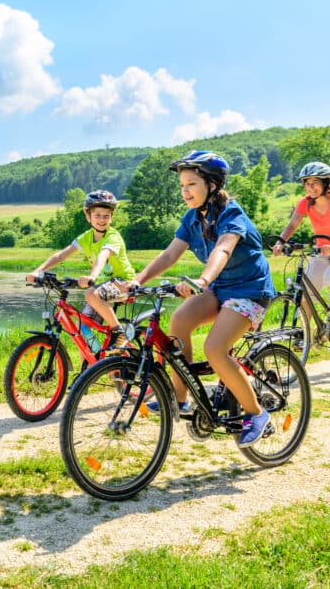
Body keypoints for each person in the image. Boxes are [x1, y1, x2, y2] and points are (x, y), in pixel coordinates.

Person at [121, 151, 276, 446]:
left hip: (249, 290)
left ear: (213, 185)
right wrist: (136, 282)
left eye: (191, 183)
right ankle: (180, 398)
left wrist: (202, 280)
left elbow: (223, 249)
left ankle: (256, 413)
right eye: (182, 185)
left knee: (215, 349)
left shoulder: (232, 214)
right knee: (178, 321)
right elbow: (170, 254)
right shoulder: (192, 219)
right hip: (220, 289)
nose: (185, 191)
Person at [27, 190, 136, 349]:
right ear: (88, 216)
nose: (101, 219)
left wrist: (91, 276)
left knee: (90, 293)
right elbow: (61, 255)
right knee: (83, 328)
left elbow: (103, 256)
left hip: (123, 283)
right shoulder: (86, 237)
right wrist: (38, 271)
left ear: (111, 217)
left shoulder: (113, 237)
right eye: (97, 215)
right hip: (102, 286)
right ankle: (92, 367)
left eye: (106, 216)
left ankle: (118, 331)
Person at [271, 161, 330, 334]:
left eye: (314, 183)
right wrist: (280, 242)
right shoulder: (305, 203)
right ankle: (305, 336)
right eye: (306, 183)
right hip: (321, 250)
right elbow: (292, 225)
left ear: (325, 182)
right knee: (306, 293)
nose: (309, 187)